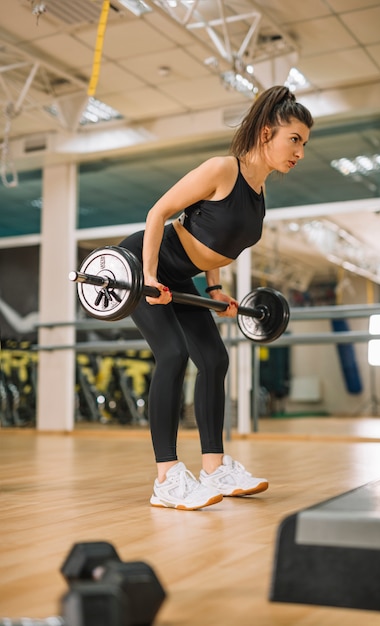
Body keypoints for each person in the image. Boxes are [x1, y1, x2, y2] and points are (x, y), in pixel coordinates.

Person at [120, 85, 314, 511]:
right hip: (139, 262)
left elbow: (216, 242)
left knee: (214, 360)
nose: (300, 151)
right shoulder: (222, 169)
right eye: (294, 139)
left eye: (304, 142)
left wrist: (214, 288)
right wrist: (148, 275)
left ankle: (214, 467)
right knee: (172, 355)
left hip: (182, 277)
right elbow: (159, 214)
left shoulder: (259, 193)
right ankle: (167, 478)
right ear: (267, 134)